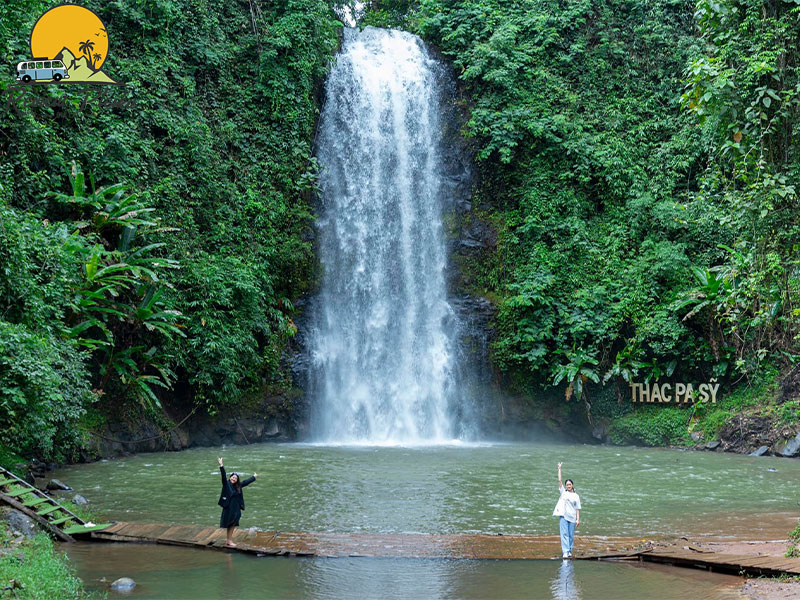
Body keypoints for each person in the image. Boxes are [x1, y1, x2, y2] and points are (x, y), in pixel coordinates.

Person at [217, 457, 257, 547]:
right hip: (229, 507)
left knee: (234, 524)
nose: (234, 479)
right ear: (230, 477)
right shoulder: (226, 484)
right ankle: (229, 541)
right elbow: (223, 475)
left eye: (235, 478)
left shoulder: (238, 486)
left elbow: (246, 482)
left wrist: (254, 477)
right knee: (230, 524)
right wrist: (221, 465)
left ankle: (229, 540)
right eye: (232, 477)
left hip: (236, 508)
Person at [553, 462, 581, 559]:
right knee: (564, 534)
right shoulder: (563, 492)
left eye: (570, 484)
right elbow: (559, 481)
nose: (568, 486)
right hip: (564, 516)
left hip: (572, 517)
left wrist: (578, 519)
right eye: (567, 484)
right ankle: (565, 552)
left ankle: (569, 550)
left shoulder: (576, 496)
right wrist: (559, 469)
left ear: (572, 485)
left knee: (570, 535)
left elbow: (578, 508)